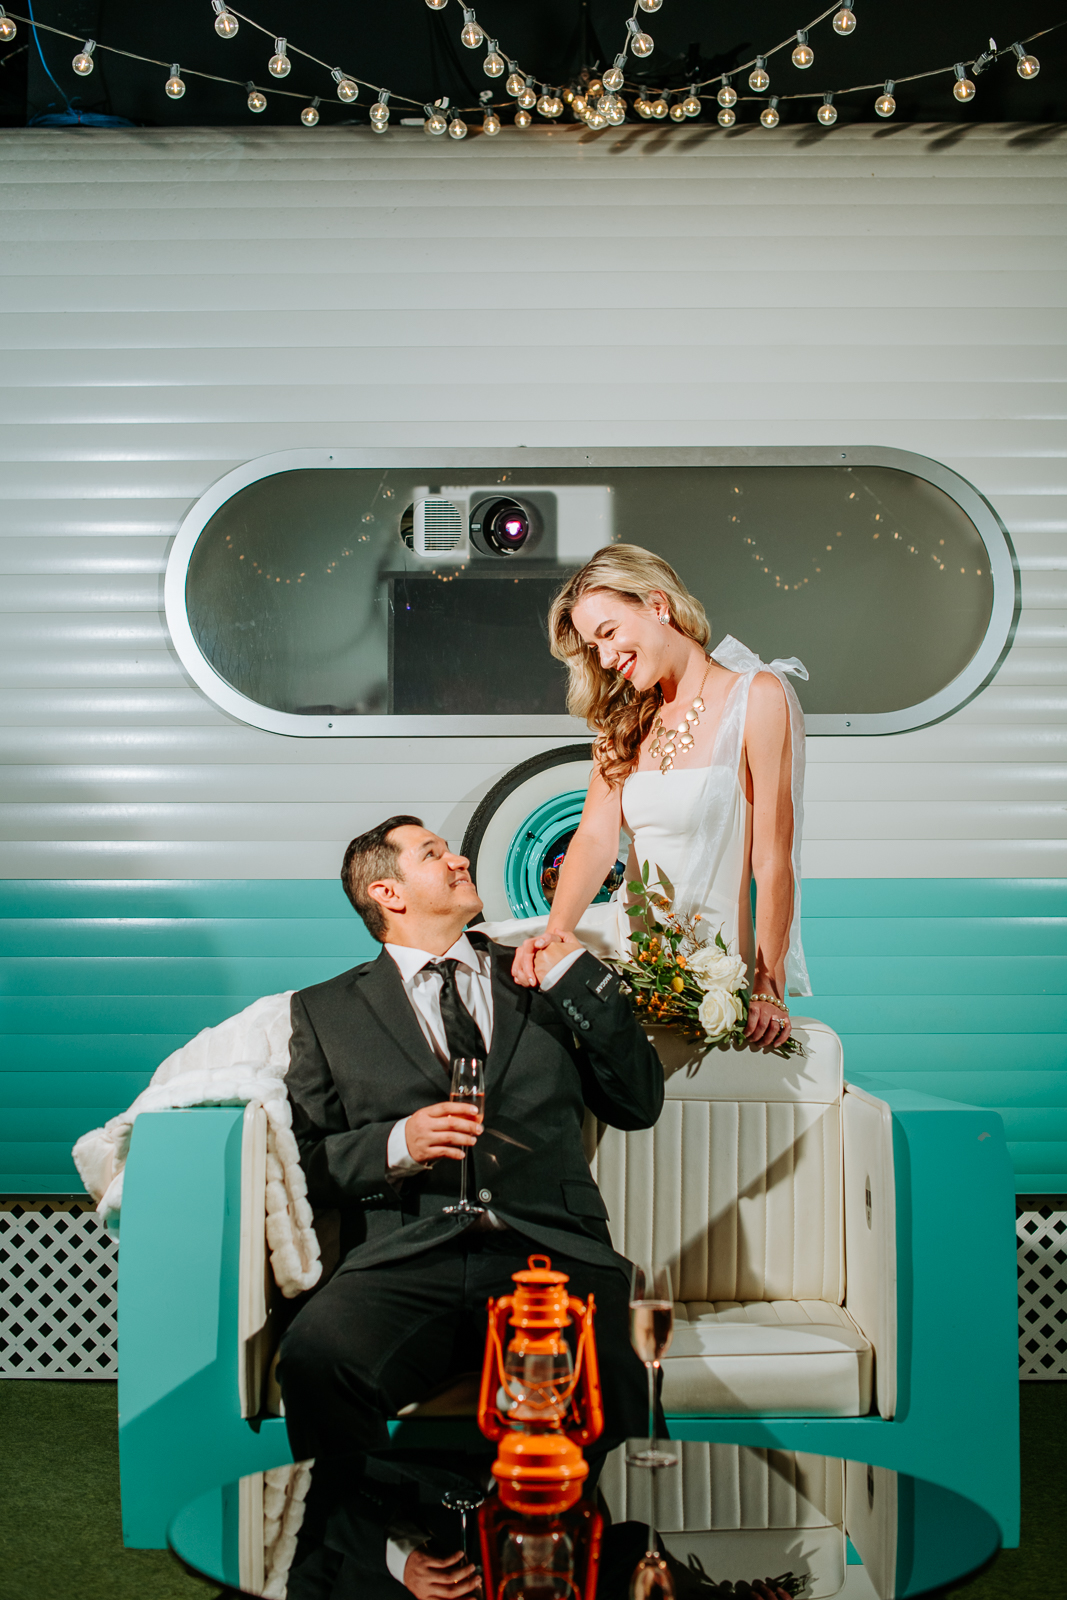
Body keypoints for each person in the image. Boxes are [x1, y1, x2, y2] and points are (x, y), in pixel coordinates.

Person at [277, 815, 664, 1466]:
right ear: (387, 893)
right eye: (433, 854)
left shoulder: (542, 973)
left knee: (614, 1365)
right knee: (317, 1357)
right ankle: (383, 1529)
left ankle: (581, 1525)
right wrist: (398, 1143)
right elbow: (305, 1163)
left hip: (552, 1252)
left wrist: (578, 979)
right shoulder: (323, 1012)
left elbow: (637, 1104)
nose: (458, 860)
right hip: (403, 1260)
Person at [479, 545, 811, 1051]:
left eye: (609, 633)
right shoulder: (623, 724)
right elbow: (594, 839)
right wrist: (557, 933)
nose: (606, 658)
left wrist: (769, 980)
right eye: (594, 647)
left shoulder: (757, 696)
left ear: (658, 605)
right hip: (629, 937)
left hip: (708, 956)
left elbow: (772, 857)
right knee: (481, 951)